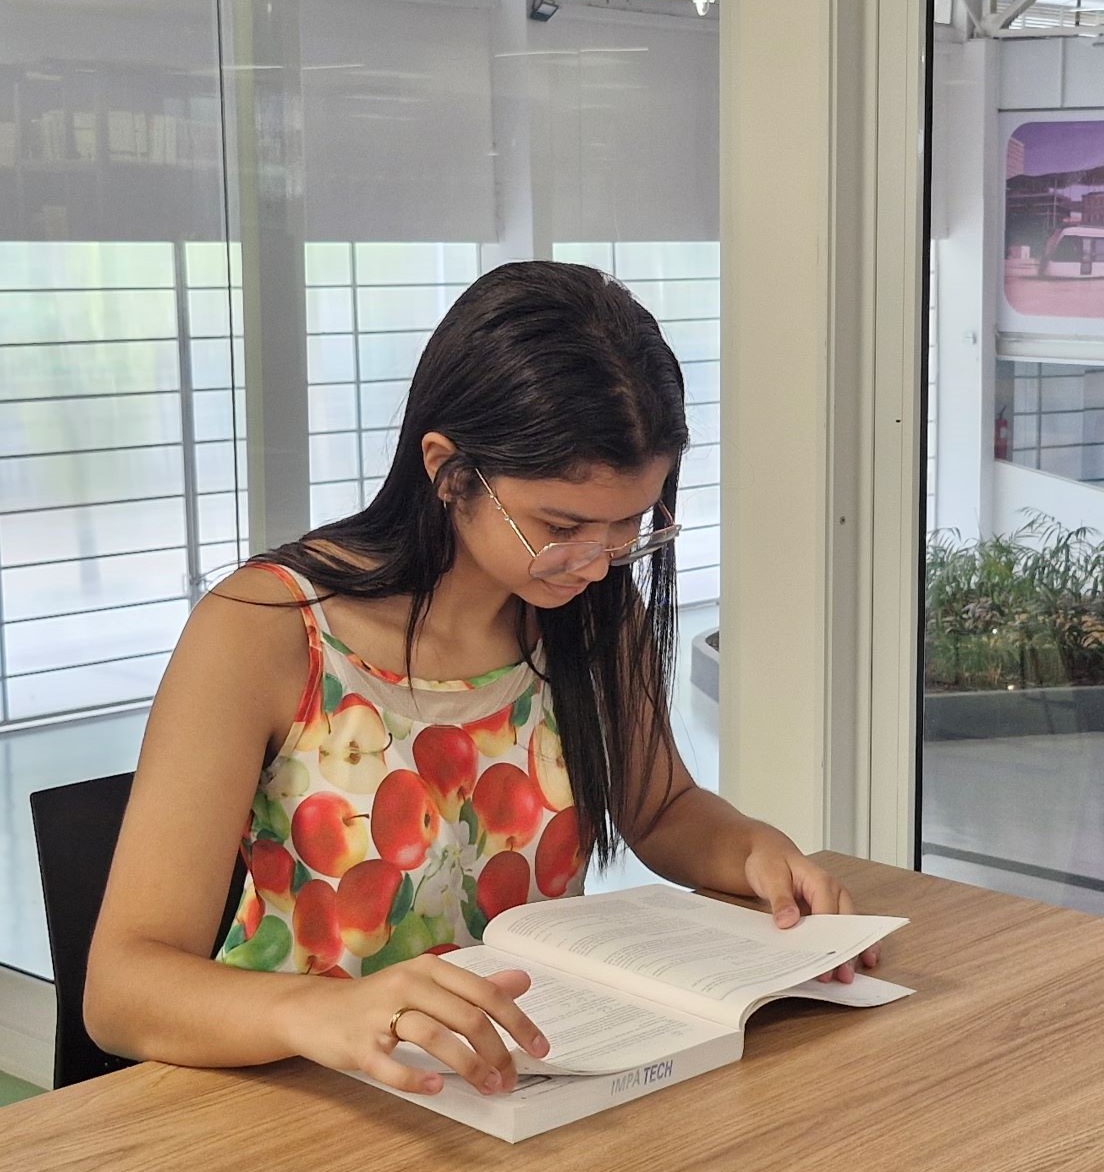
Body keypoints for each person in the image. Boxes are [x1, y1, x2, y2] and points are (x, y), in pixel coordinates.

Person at [84, 261, 879, 1101]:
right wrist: (324, 1012)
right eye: (563, 525)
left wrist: (754, 850)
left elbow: (662, 807)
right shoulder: (266, 629)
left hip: (514, 1092)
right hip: (302, 1095)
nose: (601, 562)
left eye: (629, 525)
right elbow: (122, 987)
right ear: (448, 470)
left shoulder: (588, 614)